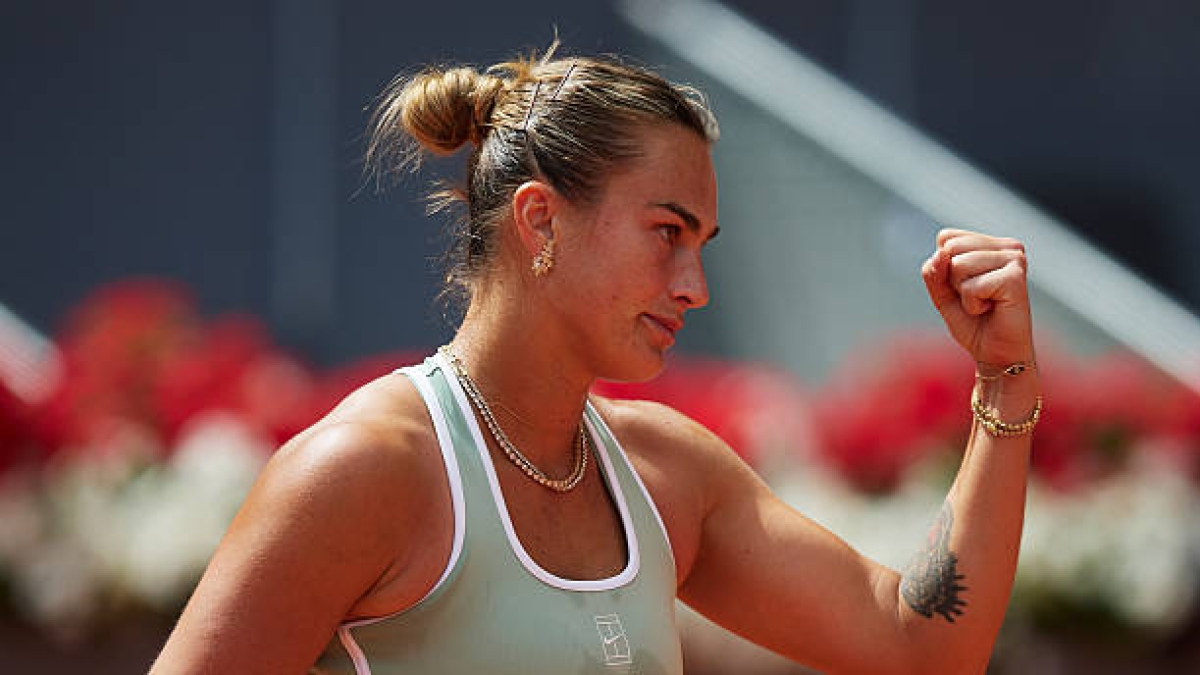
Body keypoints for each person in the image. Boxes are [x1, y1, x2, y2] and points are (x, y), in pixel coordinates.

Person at [152, 43, 1041, 674]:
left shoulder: (668, 473)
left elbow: (923, 644)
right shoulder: (363, 471)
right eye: (667, 232)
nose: (695, 286)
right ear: (541, 221)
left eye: (703, 244)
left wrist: (1004, 379)